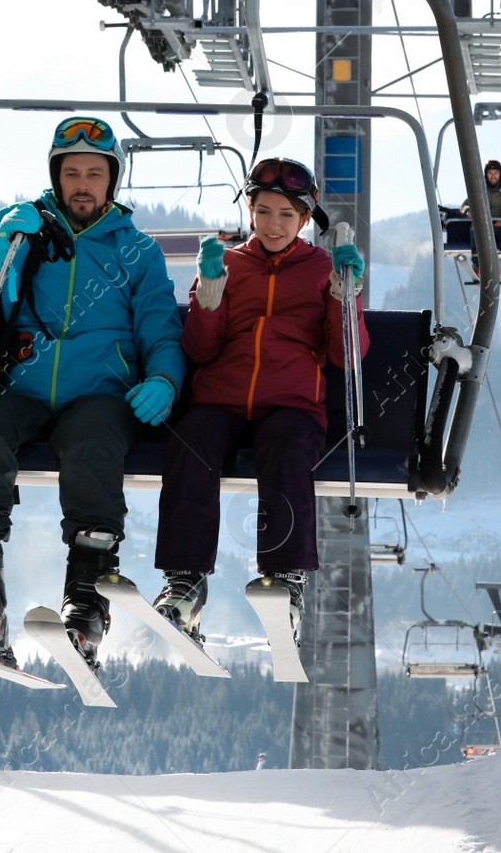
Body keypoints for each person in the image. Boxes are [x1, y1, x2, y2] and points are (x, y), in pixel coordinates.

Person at [0, 117, 186, 669]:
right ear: (57, 176)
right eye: (72, 173)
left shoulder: (136, 251)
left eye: (96, 172)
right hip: (22, 386)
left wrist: (164, 379)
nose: (83, 184)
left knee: (93, 442)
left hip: (99, 392)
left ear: (112, 181)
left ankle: (87, 601)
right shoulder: (21, 227)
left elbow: (161, 329)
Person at [151, 156, 369, 645]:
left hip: (291, 402)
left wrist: (344, 293)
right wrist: (209, 293)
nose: (274, 224)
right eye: (265, 211)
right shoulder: (227, 264)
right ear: (251, 212)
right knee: (191, 442)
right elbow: (200, 350)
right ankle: (184, 581)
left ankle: (287, 576)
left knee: (288, 447)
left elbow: (345, 354)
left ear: (305, 220)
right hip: (222, 399)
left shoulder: (322, 269)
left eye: (286, 216)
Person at [459, 158, 501, 278]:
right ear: (486, 174)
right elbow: (464, 206)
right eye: (490, 173)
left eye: (496, 173)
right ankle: (478, 265)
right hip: (483, 227)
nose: (493, 176)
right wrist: (468, 211)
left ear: (500, 174)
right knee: (476, 231)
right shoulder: (478, 190)